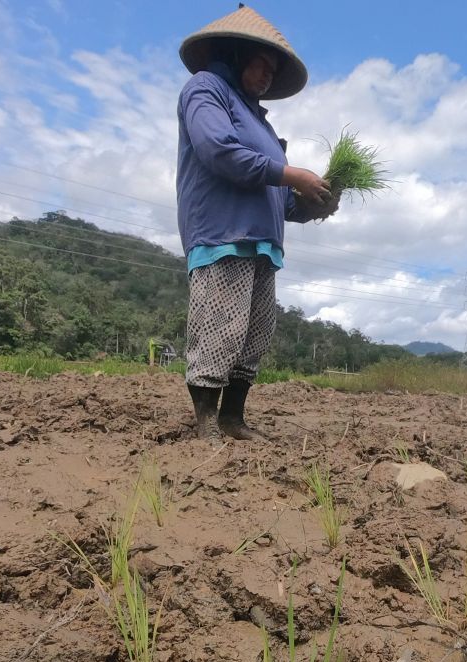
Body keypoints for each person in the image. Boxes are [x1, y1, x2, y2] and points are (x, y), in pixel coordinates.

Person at [176, 4, 337, 439]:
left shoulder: (262, 124)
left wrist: (313, 202)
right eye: (260, 64)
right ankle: (205, 423)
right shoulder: (206, 89)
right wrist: (295, 174)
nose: (266, 75)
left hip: (264, 243)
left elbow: (281, 201)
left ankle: (233, 418)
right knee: (219, 329)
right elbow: (219, 150)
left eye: (272, 69)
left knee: (254, 334)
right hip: (223, 232)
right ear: (235, 54)